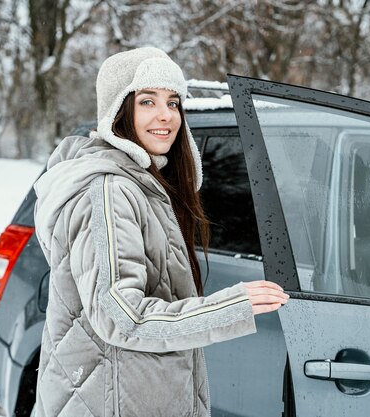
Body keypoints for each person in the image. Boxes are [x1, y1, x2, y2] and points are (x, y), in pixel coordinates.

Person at [32, 47, 289, 417]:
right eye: (147, 101)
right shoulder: (109, 191)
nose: (165, 115)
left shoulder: (148, 186)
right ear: (119, 111)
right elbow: (123, 315)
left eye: (173, 102)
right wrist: (231, 307)